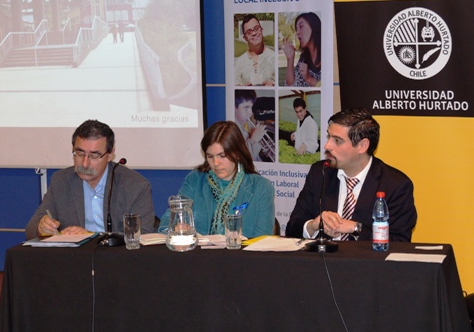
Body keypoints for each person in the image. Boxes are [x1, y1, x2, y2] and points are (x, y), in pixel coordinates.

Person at [286, 108, 417, 242]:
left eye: (337, 141)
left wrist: (355, 228)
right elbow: (292, 228)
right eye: (328, 137)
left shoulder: (395, 185)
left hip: (368, 262)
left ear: (362, 146)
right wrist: (313, 226)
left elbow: (399, 242)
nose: (327, 145)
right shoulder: (320, 173)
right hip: (322, 261)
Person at [25, 119, 155, 239]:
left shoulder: (135, 186)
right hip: (74, 261)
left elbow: (143, 236)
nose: (85, 163)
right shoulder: (61, 181)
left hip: (117, 261)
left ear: (110, 155)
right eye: (80, 153)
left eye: (94, 155)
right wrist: (41, 228)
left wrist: (92, 237)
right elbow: (31, 229)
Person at [158, 121, 275, 239]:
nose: (216, 163)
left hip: (241, 256)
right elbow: (167, 222)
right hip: (198, 256)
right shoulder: (195, 180)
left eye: (222, 156)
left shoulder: (260, 187)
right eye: (210, 156)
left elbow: (262, 239)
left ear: (238, 153)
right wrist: (176, 228)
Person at [282, 12, 321, 87]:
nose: (297, 33)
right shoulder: (304, 58)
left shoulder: (327, 56)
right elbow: (291, 86)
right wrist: (290, 59)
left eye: (301, 27)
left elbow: (328, 88)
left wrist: (309, 78)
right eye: (296, 29)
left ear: (314, 27)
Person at [234, 14, 275, 86]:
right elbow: (235, 90)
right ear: (245, 37)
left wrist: (273, 86)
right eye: (249, 32)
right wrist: (243, 90)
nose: (254, 33)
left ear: (261, 30)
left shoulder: (274, 57)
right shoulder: (239, 63)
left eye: (256, 28)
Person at [234, 89, 268, 162]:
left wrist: (263, 150)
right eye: (246, 107)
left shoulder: (247, 123)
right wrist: (253, 139)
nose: (250, 112)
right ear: (234, 108)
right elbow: (241, 159)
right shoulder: (231, 129)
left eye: (251, 107)